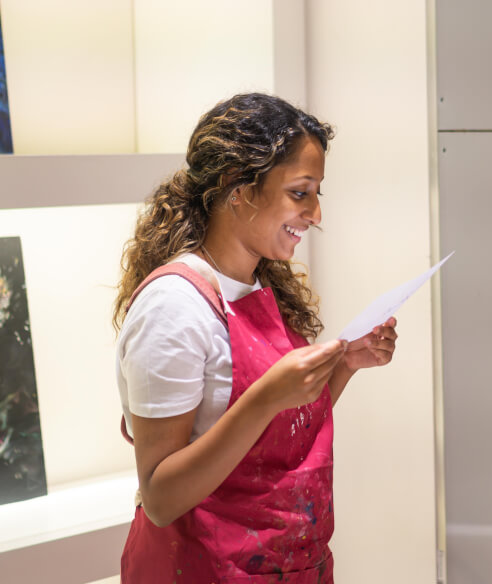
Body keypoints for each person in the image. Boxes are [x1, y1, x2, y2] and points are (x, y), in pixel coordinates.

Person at [113, 92, 398, 583]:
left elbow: (278, 437)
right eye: (299, 192)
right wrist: (264, 399)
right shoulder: (172, 309)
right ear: (236, 187)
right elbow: (161, 498)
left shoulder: (261, 286)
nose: (315, 213)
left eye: (317, 194)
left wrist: (346, 364)